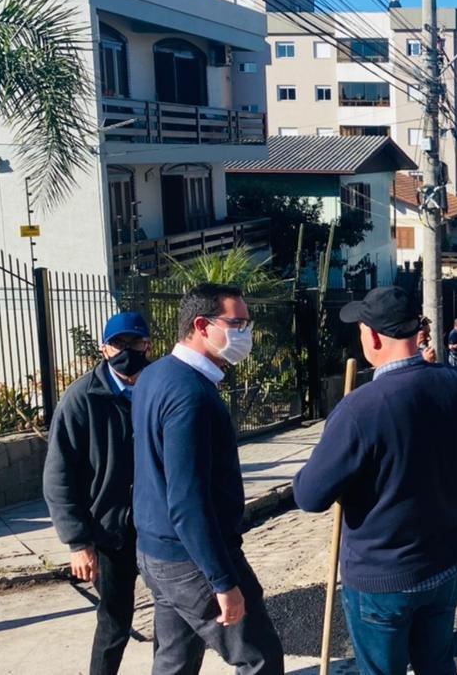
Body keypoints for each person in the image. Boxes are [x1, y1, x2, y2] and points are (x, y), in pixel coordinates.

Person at [294, 286, 457, 675]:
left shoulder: (359, 410)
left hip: (384, 578)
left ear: (371, 336)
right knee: (436, 664)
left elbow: (309, 494)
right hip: (446, 562)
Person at [133, 283, 284, 674]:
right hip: (192, 558)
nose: (245, 334)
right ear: (201, 325)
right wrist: (222, 581)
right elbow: (187, 501)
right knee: (259, 658)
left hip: (157, 552)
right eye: (237, 323)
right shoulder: (191, 397)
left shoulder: (155, 376)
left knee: (174, 661)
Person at [43, 312, 154, 675]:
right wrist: (78, 541)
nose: (127, 351)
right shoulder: (81, 399)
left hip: (160, 527)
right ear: (105, 348)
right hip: (111, 532)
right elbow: (59, 474)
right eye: (119, 344)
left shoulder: (160, 387)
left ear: (148, 345)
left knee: (176, 618)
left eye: (134, 343)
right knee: (114, 622)